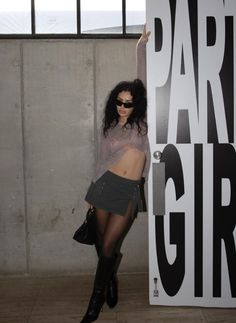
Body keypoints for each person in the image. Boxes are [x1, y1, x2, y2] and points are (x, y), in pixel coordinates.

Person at [80, 78, 150, 323]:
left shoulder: (140, 125)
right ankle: (110, 279)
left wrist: (140, 45)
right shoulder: (108, 127)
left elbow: (143, 80)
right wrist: (91, 192)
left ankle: (95, 300)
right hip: (103, 186)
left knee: (109, 246)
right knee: (101, 244)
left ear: (136, 105)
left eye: (128, 103)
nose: (122, 107)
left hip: (128, 190)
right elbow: (100, 161)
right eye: (119, 102)